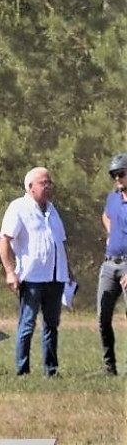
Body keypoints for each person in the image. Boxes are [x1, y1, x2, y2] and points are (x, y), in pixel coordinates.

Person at [0, 167, 75, 377]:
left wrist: (69, 271)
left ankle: (51, 369)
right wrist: (10, 272)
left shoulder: (52, 210)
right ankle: (22, 370)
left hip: (55, 277)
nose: (48, 186)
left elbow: (59, 243)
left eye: (49, 182)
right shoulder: (19, 208)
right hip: (32, 277)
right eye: (44, 183)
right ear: (30, 187)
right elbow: (4, 241)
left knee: (52, 325)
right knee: (27, 324)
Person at [98, 153, 127, 375]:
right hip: (109, 263)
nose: (117, 178)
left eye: (121, 174)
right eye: (114, 175)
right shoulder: (113, 197)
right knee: (102, 317)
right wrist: (111, 232)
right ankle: (109, 366)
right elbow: (106, 215)